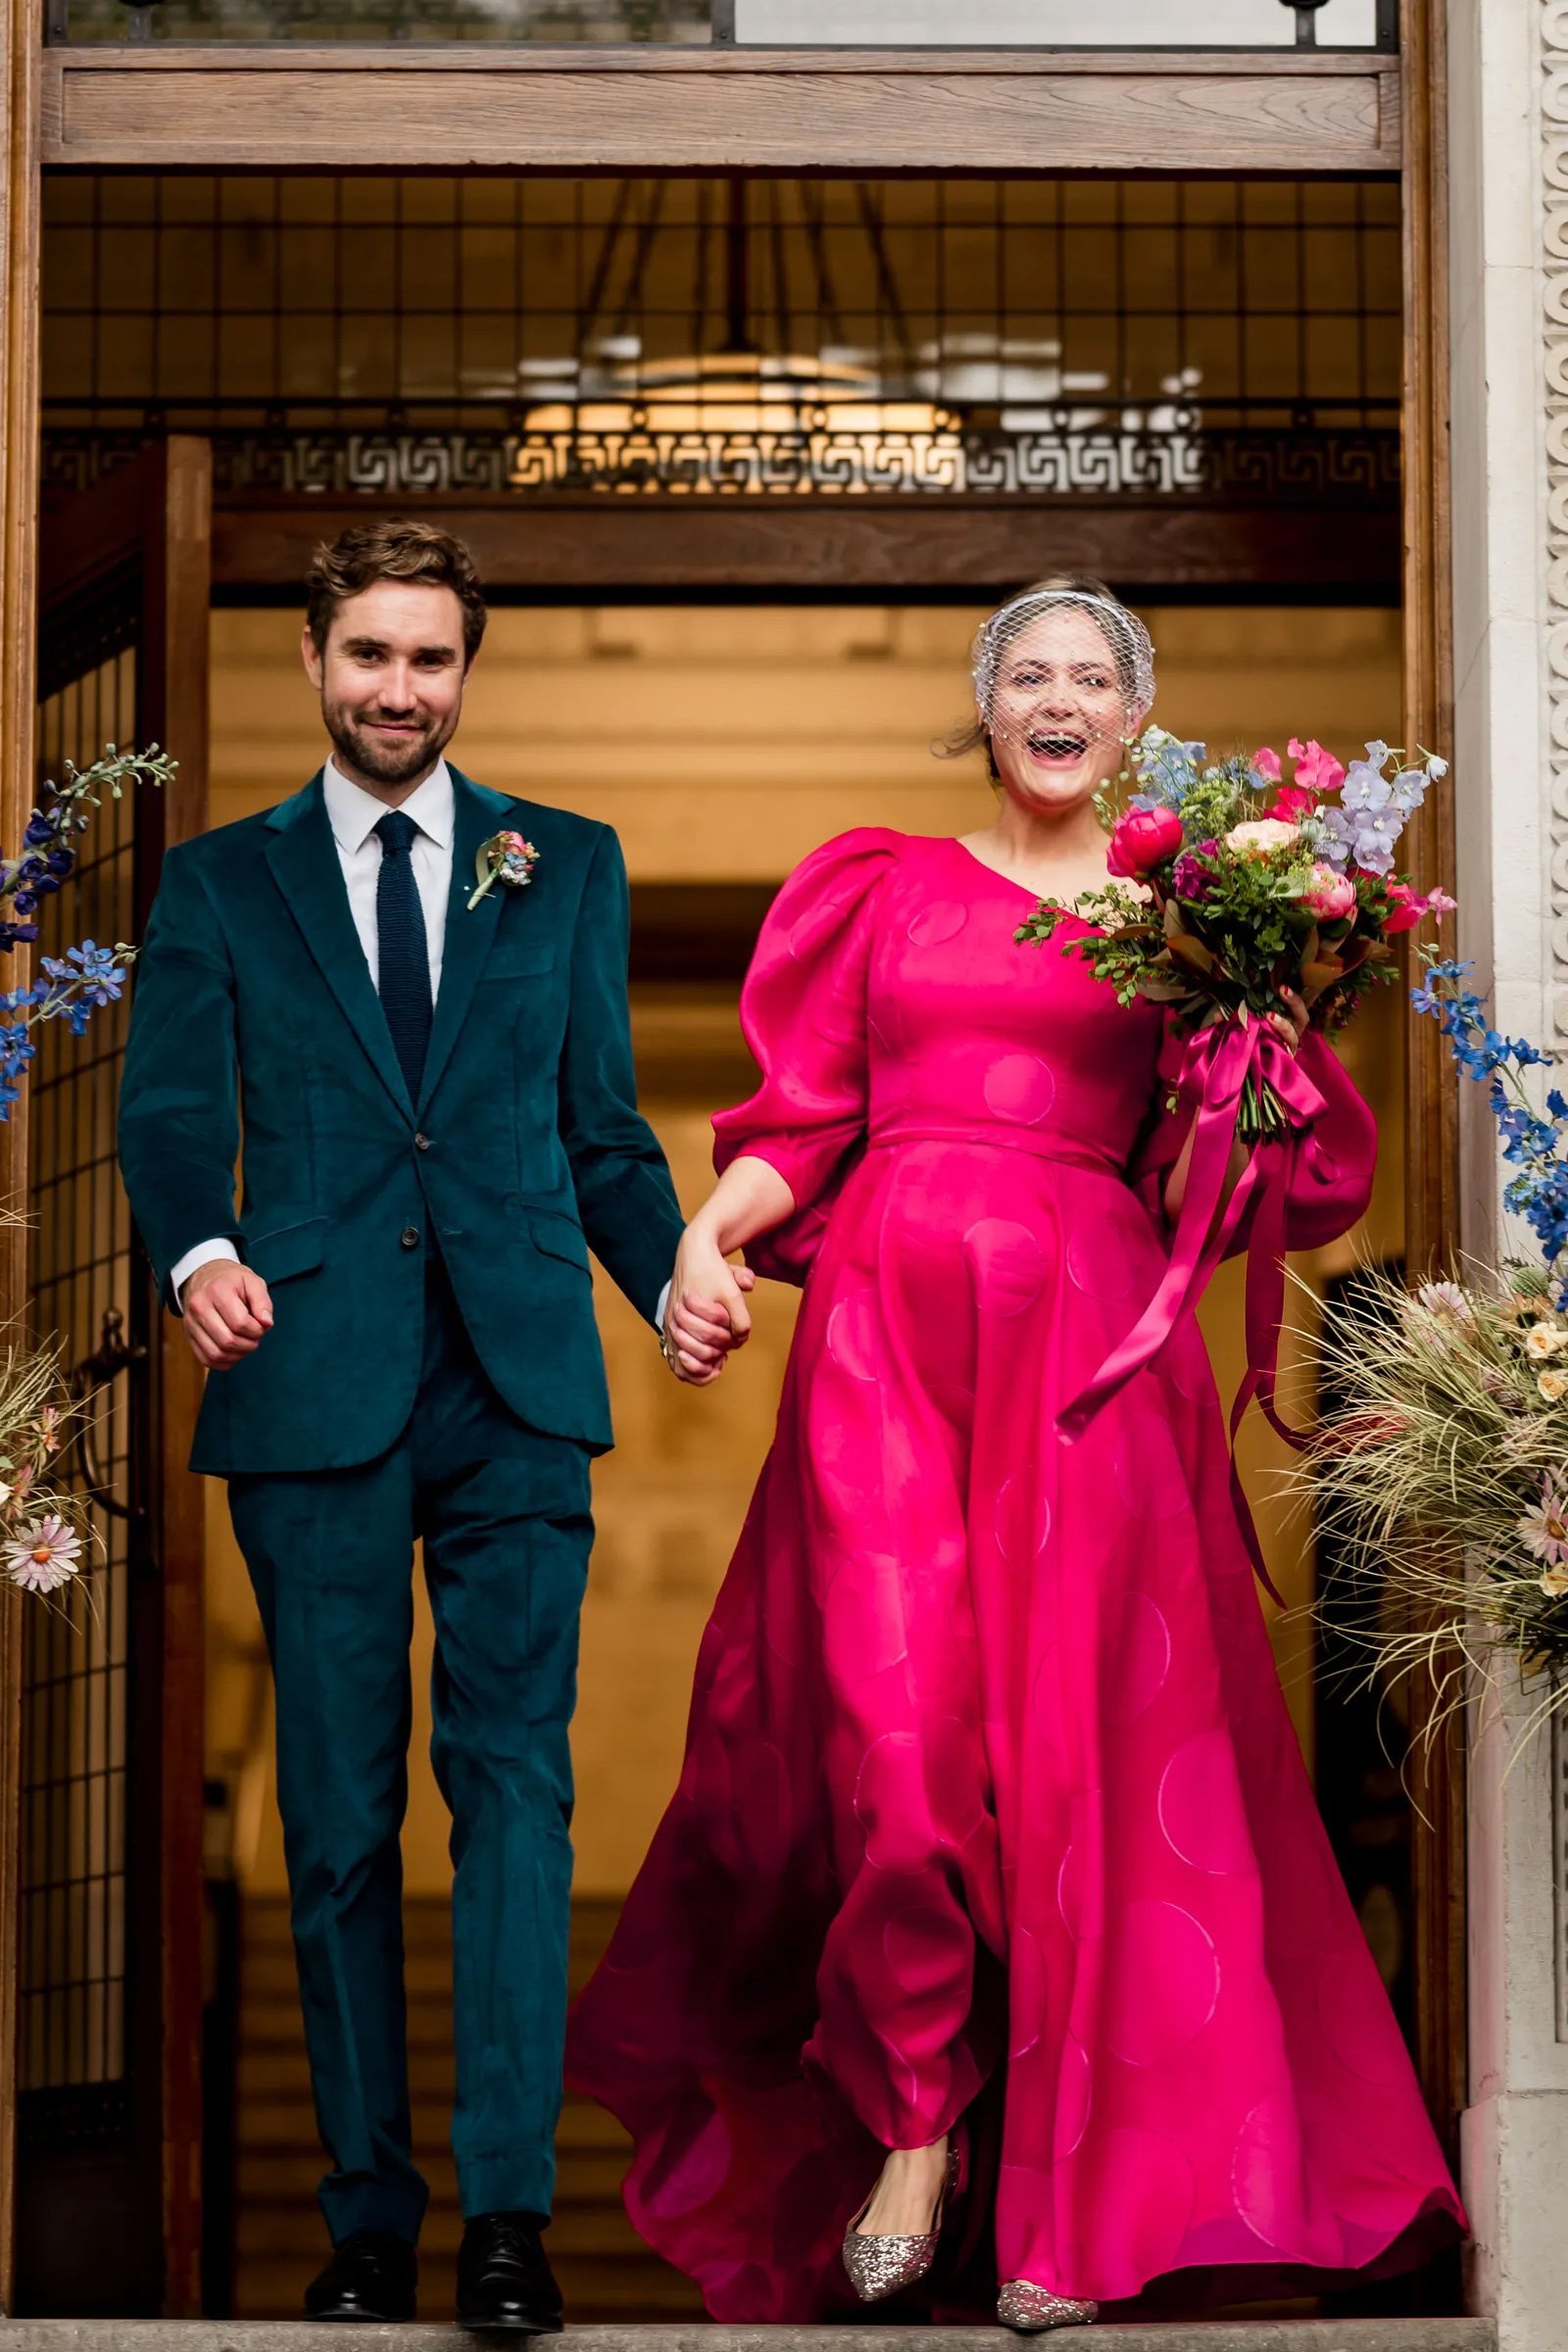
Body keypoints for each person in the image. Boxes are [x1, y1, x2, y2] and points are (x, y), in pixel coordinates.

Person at [568, 575, 1465, 2328]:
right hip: (883, 1354)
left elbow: (1278, 1174)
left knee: (1085, 1777)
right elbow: (802, 1114)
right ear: (984, 712)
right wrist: (707, 1234)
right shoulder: (880, 888)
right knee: (895, 1758)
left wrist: (1260, 1025)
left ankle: (1068, 2209)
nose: (1058, 698)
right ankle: (917, 2116)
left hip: (1089, 1368)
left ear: (1140, 720)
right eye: (1027, 674)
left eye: (1094, 677)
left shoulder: (1189, 915)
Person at [117, 519, 738, 2328]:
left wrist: (669, 1275)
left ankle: (510, 2224)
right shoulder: (223, 885)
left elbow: (607, 1133)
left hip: (518, 1378)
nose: (402, 688)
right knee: (331, 1822)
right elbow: (169, 1116)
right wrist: (201, 1255)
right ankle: (369, 2223)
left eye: (433, 659)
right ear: (314, 663)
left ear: (469, 671)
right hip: (310, 1375)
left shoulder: (566, 869)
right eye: (371, 655)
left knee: (517, 1803)